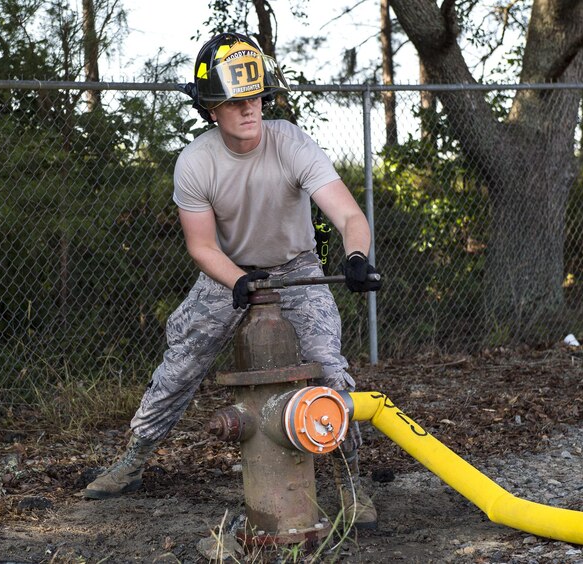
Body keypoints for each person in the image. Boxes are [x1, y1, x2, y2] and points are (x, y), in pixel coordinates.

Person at [83, 32, 382, 529]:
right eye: (236, 102)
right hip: (231, 274)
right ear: (210, 110)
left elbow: (350, 216)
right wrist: (240, 281)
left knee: (329, 366)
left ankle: (350, 484)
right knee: (181, 362)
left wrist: (354, 256)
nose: (250, 110)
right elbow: (201, 247)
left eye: (257, 98)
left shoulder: (291, 143)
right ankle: (132, 461)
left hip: (297, 269)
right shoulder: (196, 163)